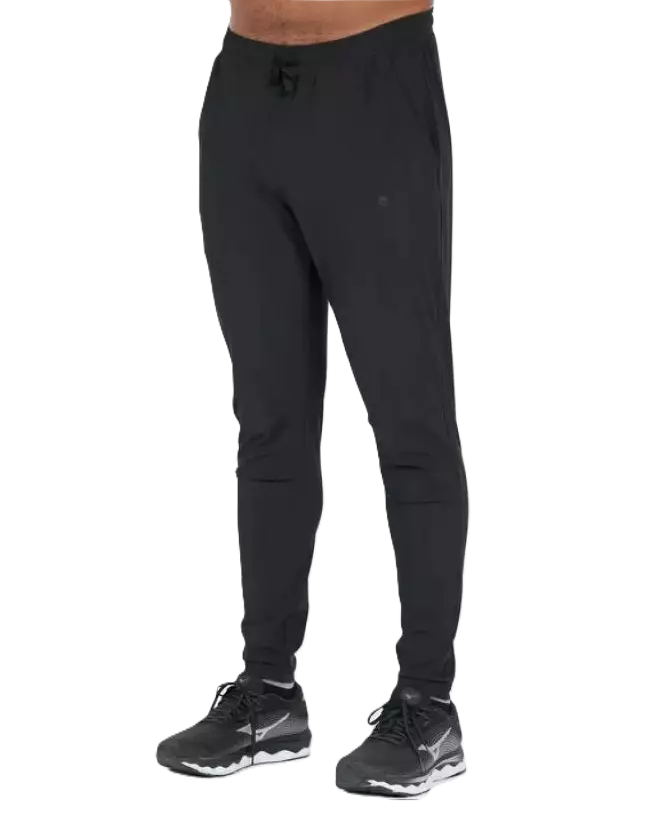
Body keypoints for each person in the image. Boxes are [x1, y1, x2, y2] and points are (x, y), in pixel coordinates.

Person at [156, 0, 469, 797]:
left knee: (410, 418)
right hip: (245, 87)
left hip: (372, 80)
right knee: (268, 421)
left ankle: (428, 706)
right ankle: (267, 694)